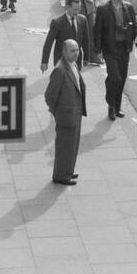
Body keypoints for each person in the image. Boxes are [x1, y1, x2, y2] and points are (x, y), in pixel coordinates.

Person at [44, 39, 86, 186]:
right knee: (64, 147)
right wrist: (57, 112)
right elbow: (49, 95)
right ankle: (61, 176)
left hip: (75, 112)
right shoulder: (60, 70)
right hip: (66, 116)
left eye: (77, 50)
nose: (76, 54)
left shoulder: (72, 64)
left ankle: (67, 171)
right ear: (64, 52)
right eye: (72, 51)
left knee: (73, 145)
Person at [95, 0, 137, 120]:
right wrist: (97, 50)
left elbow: (134, 25)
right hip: (110, 48)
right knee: (114, 77)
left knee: (122, 78)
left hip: (124, 47)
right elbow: (98, 31)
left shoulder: (128, 7)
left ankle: (117, 106)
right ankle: (111, 104)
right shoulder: (103, 9)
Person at [41, 0, 88, 75]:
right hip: (61, 60)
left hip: (77, 60)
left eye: (78, 10)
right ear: (67, 7)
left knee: (74, 83)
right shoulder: (57, 22)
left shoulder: (82, 20)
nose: (77, 12)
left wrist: (86, 57)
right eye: (74, 10)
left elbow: (86, 40)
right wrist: (44, 61)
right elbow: (49, 43)